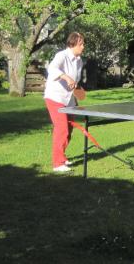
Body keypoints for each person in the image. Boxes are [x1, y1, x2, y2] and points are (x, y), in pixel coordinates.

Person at [44, 32, 85, 172]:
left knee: (69, 130)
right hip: (55, 97)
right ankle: (57, 163)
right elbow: (52, 69)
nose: (83, 47)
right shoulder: (61, 56)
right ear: (72, 44)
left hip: (69, 99)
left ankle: (61, 156)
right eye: (81, 44)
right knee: (61, 129)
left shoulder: (79, 60)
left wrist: (76, 97)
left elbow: (75, 81)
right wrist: (66, 77)